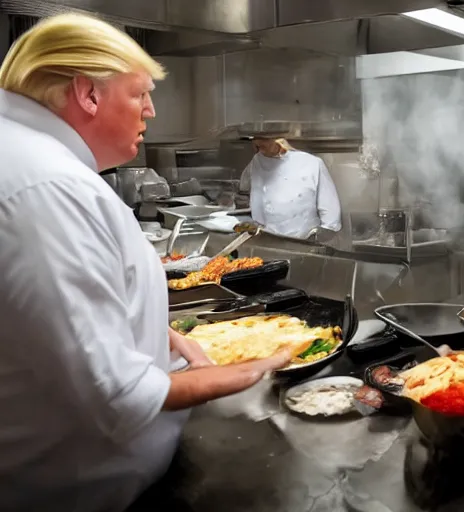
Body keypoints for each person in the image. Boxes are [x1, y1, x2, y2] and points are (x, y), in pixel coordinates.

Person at [0, 13, 292, 512]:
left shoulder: (29, 159)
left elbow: (50, 327)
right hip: (79, 494)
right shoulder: (49, 187)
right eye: (139, 95)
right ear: (88, 93)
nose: (151, 110)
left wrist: (159, 332)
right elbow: (116, 395)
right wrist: (263, 365)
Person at [239, 136, 342, 239]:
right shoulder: (257, 161)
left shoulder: (311, 163)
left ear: (279, 140)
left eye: (264, 142)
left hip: (303, 241)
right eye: (257, 145)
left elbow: (330, 210)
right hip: (264, 238)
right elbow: (243, 188)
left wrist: (324, 233)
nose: (260, 149)